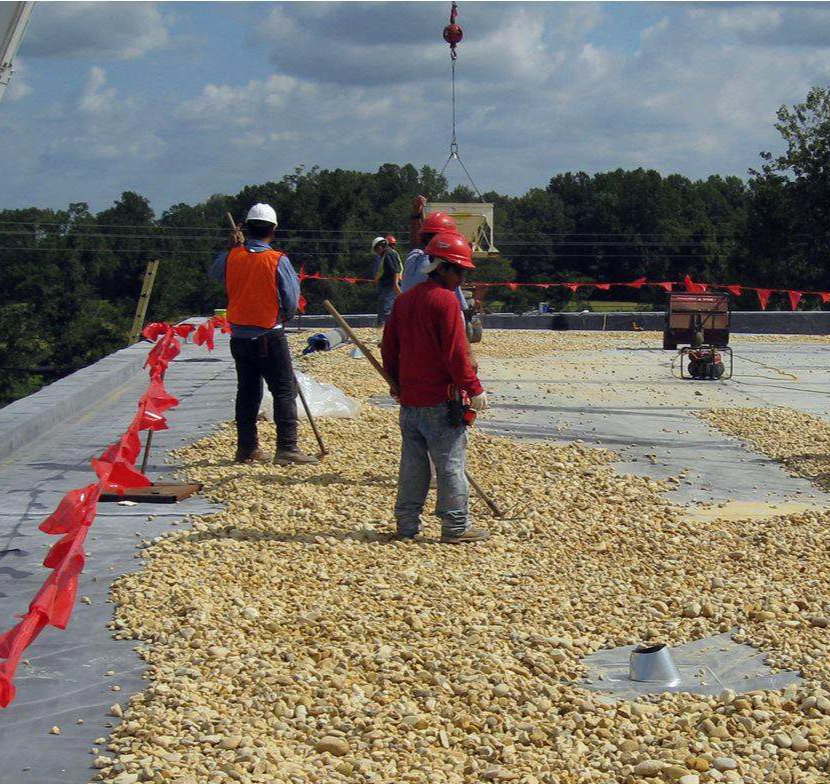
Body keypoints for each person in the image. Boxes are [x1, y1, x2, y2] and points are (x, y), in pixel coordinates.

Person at [381, 231, 489, 544]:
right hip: (441, 404)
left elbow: (389, 348)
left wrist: (396, 383)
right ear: (440, 267)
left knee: (413, 467)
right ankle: (455, 527)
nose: (462, 277)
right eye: (459, 270)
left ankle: (406, 525)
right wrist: (475, 388)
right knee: (451, 465)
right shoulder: (444, 302)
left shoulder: (404, 301)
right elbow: (455, 354)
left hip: (411, 403)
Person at [209, 203, 318, 466]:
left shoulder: (231, 256)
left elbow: (214, 275)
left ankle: (246, 449)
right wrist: (284, 317)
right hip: (269, 333)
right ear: (273, 230)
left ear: (246, 227)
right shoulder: (277, 259)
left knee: (247, 392)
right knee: (283, 390)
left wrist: (230, 247)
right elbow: (291, 300)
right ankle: (287, 448)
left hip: (239, 335)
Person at [402, 195, 467, 312]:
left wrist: (416, 212)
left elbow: (416, 243)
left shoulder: (413, 258)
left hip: (408, 318)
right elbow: (460, 308)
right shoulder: (442, 269)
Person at [371, 236, 402, 326]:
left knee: (386, 309)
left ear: (380, 247)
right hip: (386, 286)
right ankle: (380, 326)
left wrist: (395, 284)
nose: (377, 253)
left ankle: (386, 328)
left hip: (390, 286)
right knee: (383, 307)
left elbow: (396, 270)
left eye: (376, 250)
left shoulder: (389, 254)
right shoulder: (385, 255)